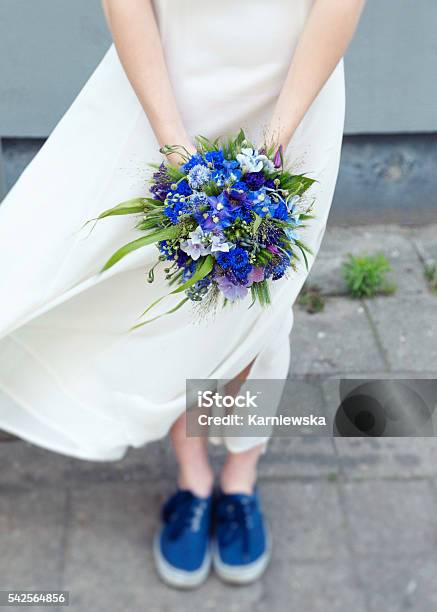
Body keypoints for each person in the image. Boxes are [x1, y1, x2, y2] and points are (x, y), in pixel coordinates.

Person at [0, 0, 366, 589]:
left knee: (260, 315)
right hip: (168, 87)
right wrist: (174, 147)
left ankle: (240, 478)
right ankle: (193, 476)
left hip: (296, 86)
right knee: (172, 305)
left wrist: (273, 146)